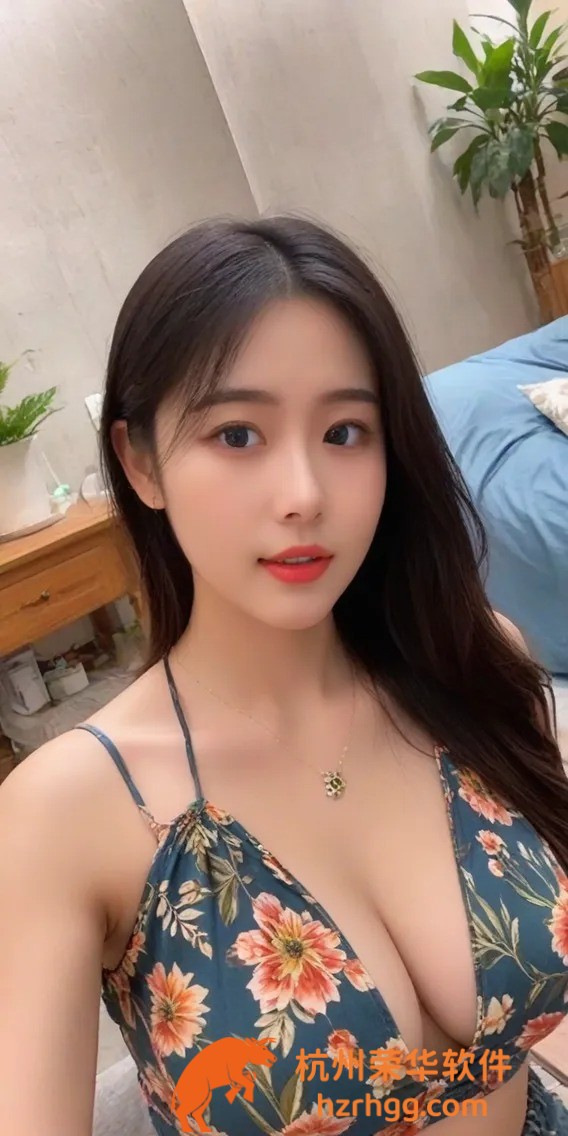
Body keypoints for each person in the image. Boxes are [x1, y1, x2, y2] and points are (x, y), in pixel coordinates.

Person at [0, 215, 567, 1136]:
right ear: (141, 462)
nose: (304, 493)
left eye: (345, 431)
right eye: (237, 435)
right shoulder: (70, 811)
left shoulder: (476, 671)